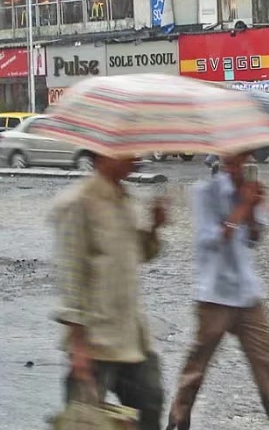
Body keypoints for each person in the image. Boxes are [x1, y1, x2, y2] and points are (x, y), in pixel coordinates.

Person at [166, 152, 269, 430]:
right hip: (214, 296)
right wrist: (240, 209)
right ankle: (177, 423)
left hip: (247, 294)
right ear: (219, 163)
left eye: (242, 162)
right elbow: (209, 241)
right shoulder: (205, 192)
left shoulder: (250, 190)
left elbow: (254, 239)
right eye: (231, 163)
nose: (237, 168)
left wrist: (254, 210)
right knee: (195, 369)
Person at [51, 154, 168, 430]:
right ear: (105, 157)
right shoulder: (77, 203)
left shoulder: (124, 199)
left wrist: (154, 226)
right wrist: (79, 348)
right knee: (84, 419)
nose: (134, 158)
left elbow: (139, 253)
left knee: (151, 403)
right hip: (94, 341)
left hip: (132, 337)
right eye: (126, 153)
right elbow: (70, 277)